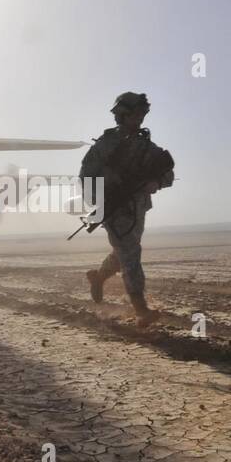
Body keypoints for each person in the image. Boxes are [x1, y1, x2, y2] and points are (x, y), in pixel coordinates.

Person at [80, 92, 174, 326]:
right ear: (122, 115)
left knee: (123, 252)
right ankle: (141, 309)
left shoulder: (146, 146)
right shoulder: (105, 145)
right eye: (135, 114)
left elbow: (168, 172)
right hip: (114, 208)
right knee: (130, 252)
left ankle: (99, 277)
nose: (140, 119)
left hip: (137, 208)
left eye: (142, 114)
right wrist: (102, 197)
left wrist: (157, 182)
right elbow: (86, 177)